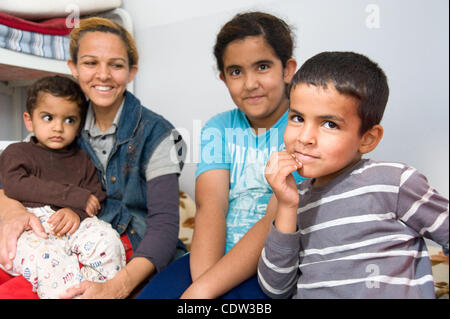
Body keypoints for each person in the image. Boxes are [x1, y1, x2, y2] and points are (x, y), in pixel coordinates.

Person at [0, 17, 185, 299]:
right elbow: (18, 175)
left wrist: (116, 288)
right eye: (90, 63)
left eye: (116, 65)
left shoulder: (159, 134)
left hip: (131, 248)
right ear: (73, 67)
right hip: (65, 239)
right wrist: (13, 211)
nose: (103, 74)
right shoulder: (62, 120)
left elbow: (165, 227)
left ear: (131, 71)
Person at [137, 11, 304, 299]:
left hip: (270, 263)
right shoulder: (219, 127)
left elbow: (273, 219)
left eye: (262, 67)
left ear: (287, 69)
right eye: (236, 72)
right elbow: (211, 205)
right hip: (210, 257)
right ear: (224, 78)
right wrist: (204, 283)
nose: (250, 83)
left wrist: (205, 290)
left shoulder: (301, 127)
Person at [258, 51, 449, 299]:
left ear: (367, 139)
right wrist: (286, 205)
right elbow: (275, 289)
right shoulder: (296, 200)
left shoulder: (393, 182)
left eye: (329, 124)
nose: (304, 138)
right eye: (297, 118)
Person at [0, 75, 126, 299]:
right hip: (32, 224)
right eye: (48, 118)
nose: (58, 127)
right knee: (49, 258)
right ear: (29, 121)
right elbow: (15, 185)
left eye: (69, 120)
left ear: (79, 125)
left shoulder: (82, 159)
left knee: (107, 238)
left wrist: (74, 212)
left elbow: (94, 197)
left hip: (72, 222)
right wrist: (72, 196)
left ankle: (95, 293)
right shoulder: (17, 152)